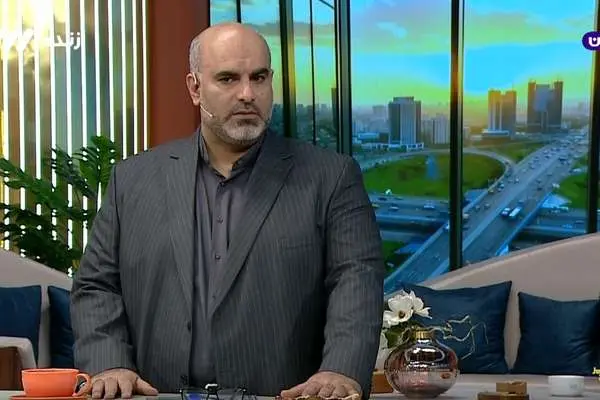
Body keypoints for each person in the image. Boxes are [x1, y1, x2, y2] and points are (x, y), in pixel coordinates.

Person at [70, 22, 384, 400]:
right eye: (228, 79)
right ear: (195, 88)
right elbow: (97, 285)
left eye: (259, 78)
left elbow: (356, 279)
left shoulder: (331, 177)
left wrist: (341, 370)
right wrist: (109, 363)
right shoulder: (133, 180)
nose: (247, 94)